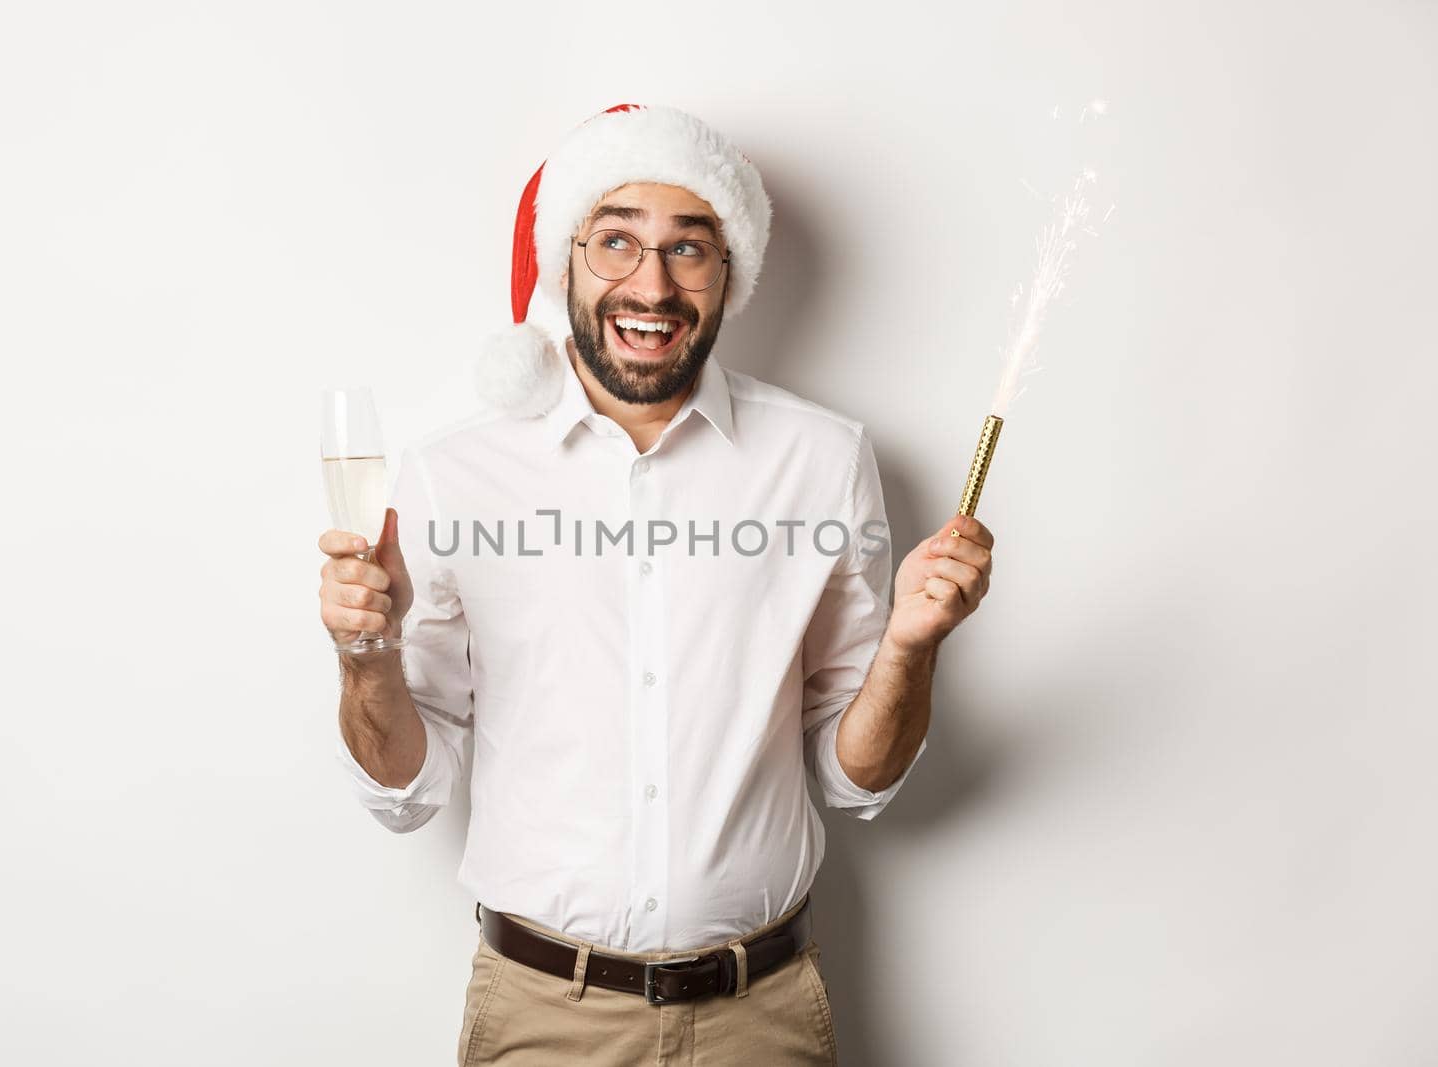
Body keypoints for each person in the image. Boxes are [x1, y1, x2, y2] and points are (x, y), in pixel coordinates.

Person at [317, 103, 995, 1066]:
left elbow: (856, 777)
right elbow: (404, 789)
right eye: (616, 241)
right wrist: (364, 655)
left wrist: (910, 648)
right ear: (568, 260)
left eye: (690, 248)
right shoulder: (452, 474)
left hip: (760, 1015)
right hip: (542, 1017)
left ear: (730, 274)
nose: (652, 282)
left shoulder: (823, 458)